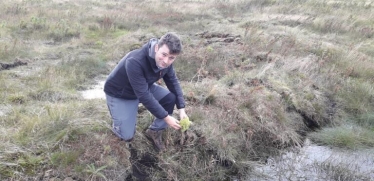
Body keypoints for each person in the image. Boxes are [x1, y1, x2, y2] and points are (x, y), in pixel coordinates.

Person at [104, 32, 188, 152]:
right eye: (164, 55)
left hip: (143, 87)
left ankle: (154, 131)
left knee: (170, 98)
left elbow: (173, 82)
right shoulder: (135, 60)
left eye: (171, 58)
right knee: (126, 136)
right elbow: (144, 96)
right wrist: (166, 117)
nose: (166, 61)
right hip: (120, 94)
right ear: (157, 47)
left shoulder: (167, 62)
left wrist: (182, 109)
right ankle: (119, 123)